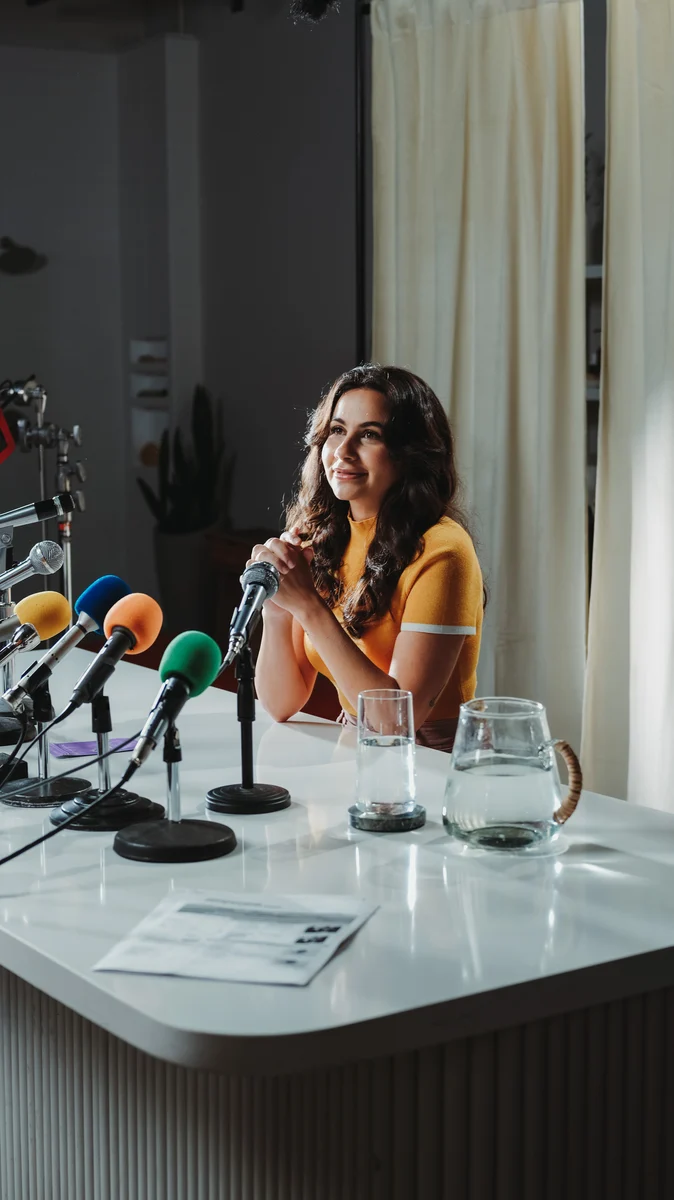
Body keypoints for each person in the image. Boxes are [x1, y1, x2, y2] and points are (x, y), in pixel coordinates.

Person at [249, 364, 484, 752]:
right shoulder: (323, 536)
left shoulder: (444, 552)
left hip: (429, 762)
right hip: (354, 750)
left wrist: (308, 605)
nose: (343, 452)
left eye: (369, 435)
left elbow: (395, 723)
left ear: (410, 453)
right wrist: (278, 608)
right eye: (336, 431)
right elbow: (280, 703)